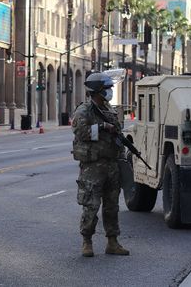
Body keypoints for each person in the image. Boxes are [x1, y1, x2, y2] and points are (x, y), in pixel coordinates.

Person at [72, 72, 129, 257]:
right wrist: (103, 127)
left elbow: (117, 131)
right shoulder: (84, 110)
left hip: (111, 164)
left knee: (112, 206)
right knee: (91, 205)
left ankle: (112, 242)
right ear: (97, 91)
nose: (110, 91)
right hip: (93, 167)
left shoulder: (108, 109)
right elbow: (81, 132)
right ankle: (87, 241)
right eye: (107, 89)